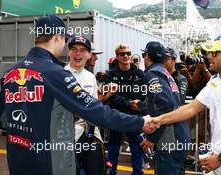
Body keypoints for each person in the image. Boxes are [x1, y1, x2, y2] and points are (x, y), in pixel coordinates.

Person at [0, 14, 157, 175]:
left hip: (17, 160)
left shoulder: (9, 73)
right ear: (58, 37)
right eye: (66, 40)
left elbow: (3, 119)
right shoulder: (57, 73)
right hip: (48, 162)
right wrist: (139, 122)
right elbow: (96, 111)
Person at [153, 33, 221, 175]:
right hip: (215, 164)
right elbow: (192, 108)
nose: (208, 56)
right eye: (208, 52)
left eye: (214, 53)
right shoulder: (215, 81)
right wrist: (158, 120)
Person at [140, 41, 190, 175]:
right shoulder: (165, 73)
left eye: (144, 55)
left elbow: (166, 103)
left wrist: (152, 137)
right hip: (178, 137)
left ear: (147, 57)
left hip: (170, 141)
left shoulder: (153, 73)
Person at [65, 36, 105, 175]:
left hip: (91, 134)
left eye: (83, 50)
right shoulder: (60, 74)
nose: (78, 54)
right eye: (74, 49)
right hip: (67, 137)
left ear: (89, 54)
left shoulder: (90, 76)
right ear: (69, 52)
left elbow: (95, 106)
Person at [105, 44, 145, 175]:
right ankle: (111, 172)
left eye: (128, 53)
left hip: (135, 115)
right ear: (117, 57)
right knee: (113, 146)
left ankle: (138, 172)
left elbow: (144, 93)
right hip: (116, 115)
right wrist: (128, 103)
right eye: (122, 54)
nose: (126, 56)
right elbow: (111, 96)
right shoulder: (111, 74)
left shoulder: (139, 74)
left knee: (136, 146)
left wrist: (140, 105)